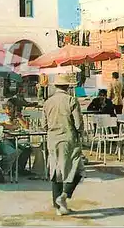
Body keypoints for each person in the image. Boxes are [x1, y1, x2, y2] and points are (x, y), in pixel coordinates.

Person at [42, 73, 84, 216]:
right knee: (77, 170)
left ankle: (58, 206)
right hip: (68, 139)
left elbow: (44, 125)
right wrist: (81, 134)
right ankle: (64, 196)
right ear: (67, 86)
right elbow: (78, 124)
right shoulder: (71, 100)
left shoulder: (48, 102)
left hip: (52, 140)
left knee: (56, 171)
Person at [4, 98, 33, 176]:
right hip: (6, 140)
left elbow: (26, 127)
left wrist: (19, 117)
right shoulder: (3, 116)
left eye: (10, 108)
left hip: (16, 139)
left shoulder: (18, 116)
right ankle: (8, 168)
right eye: (7, 108)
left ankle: (20, 168)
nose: (8, 110)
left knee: (27, 149)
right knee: (14, 150)